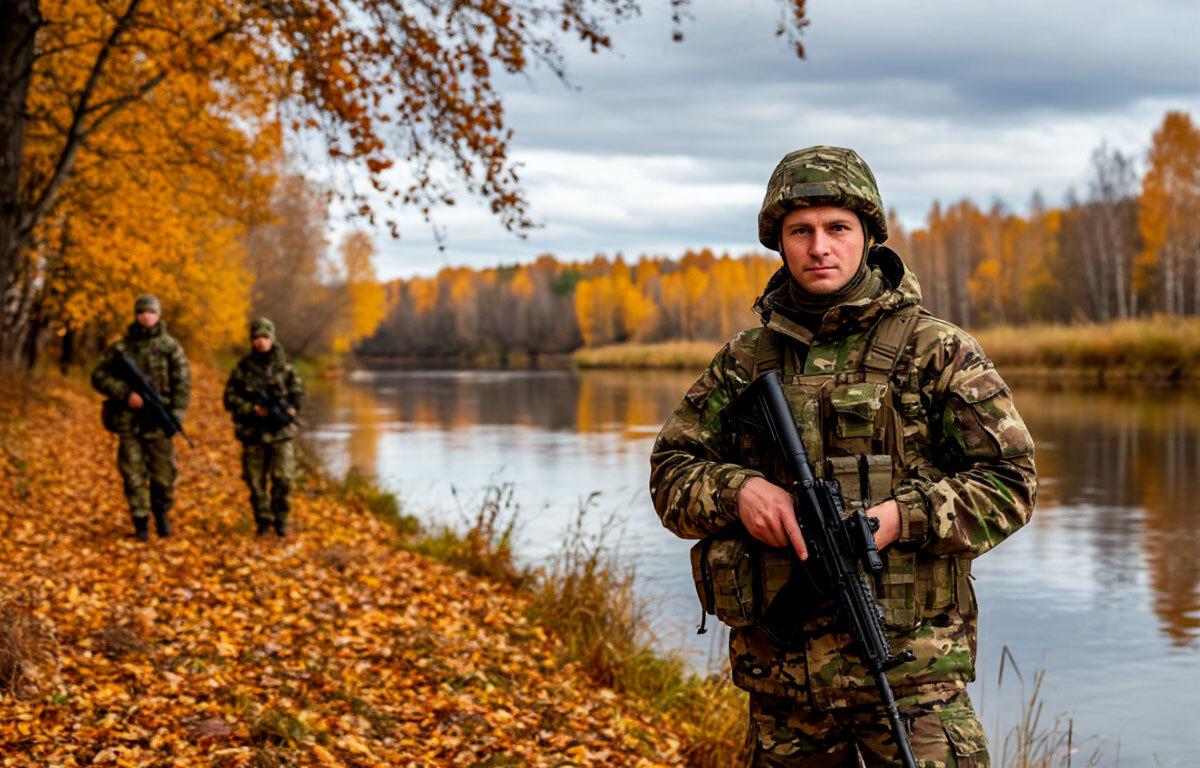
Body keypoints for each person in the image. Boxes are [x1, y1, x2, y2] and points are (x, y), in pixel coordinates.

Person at [650, 146, 1037, 767]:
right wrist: (739, 492)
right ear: (778, 242)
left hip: (914, 681)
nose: (818, 247)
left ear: (868, 236)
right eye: (799, 231)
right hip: (786, 692)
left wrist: (898, 519)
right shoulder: (746, 361)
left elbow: (1010, 484)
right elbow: (671, 474)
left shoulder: (935, 351)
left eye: (837, 229)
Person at [91, 294, 191, 541]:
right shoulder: (121, 348)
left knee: (163, 477)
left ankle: (161, 514)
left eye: (151, 312)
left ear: (159, 315)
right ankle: (141, 522)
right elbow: (98, 377)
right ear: (136, 315)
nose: (147, 316)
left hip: (159, 423)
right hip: (130, 422)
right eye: (142, 311)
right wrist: (126, 394)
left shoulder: (171, 347)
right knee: (132, 475)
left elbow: (183, 384)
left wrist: (175, 416)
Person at [223, 317, 304, 537]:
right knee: (255, 482)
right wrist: (251, 409)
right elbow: (229, 399)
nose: (261, 342)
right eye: (257, 337)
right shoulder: (243, 369)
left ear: (272, 338)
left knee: (284, 479)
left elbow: (297, 395)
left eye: (265, 337)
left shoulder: (285, 367)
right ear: (252, 340)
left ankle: (281, 520)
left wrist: (291, 410)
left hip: (281, 434)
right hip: (253, 434)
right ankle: (263, 522)